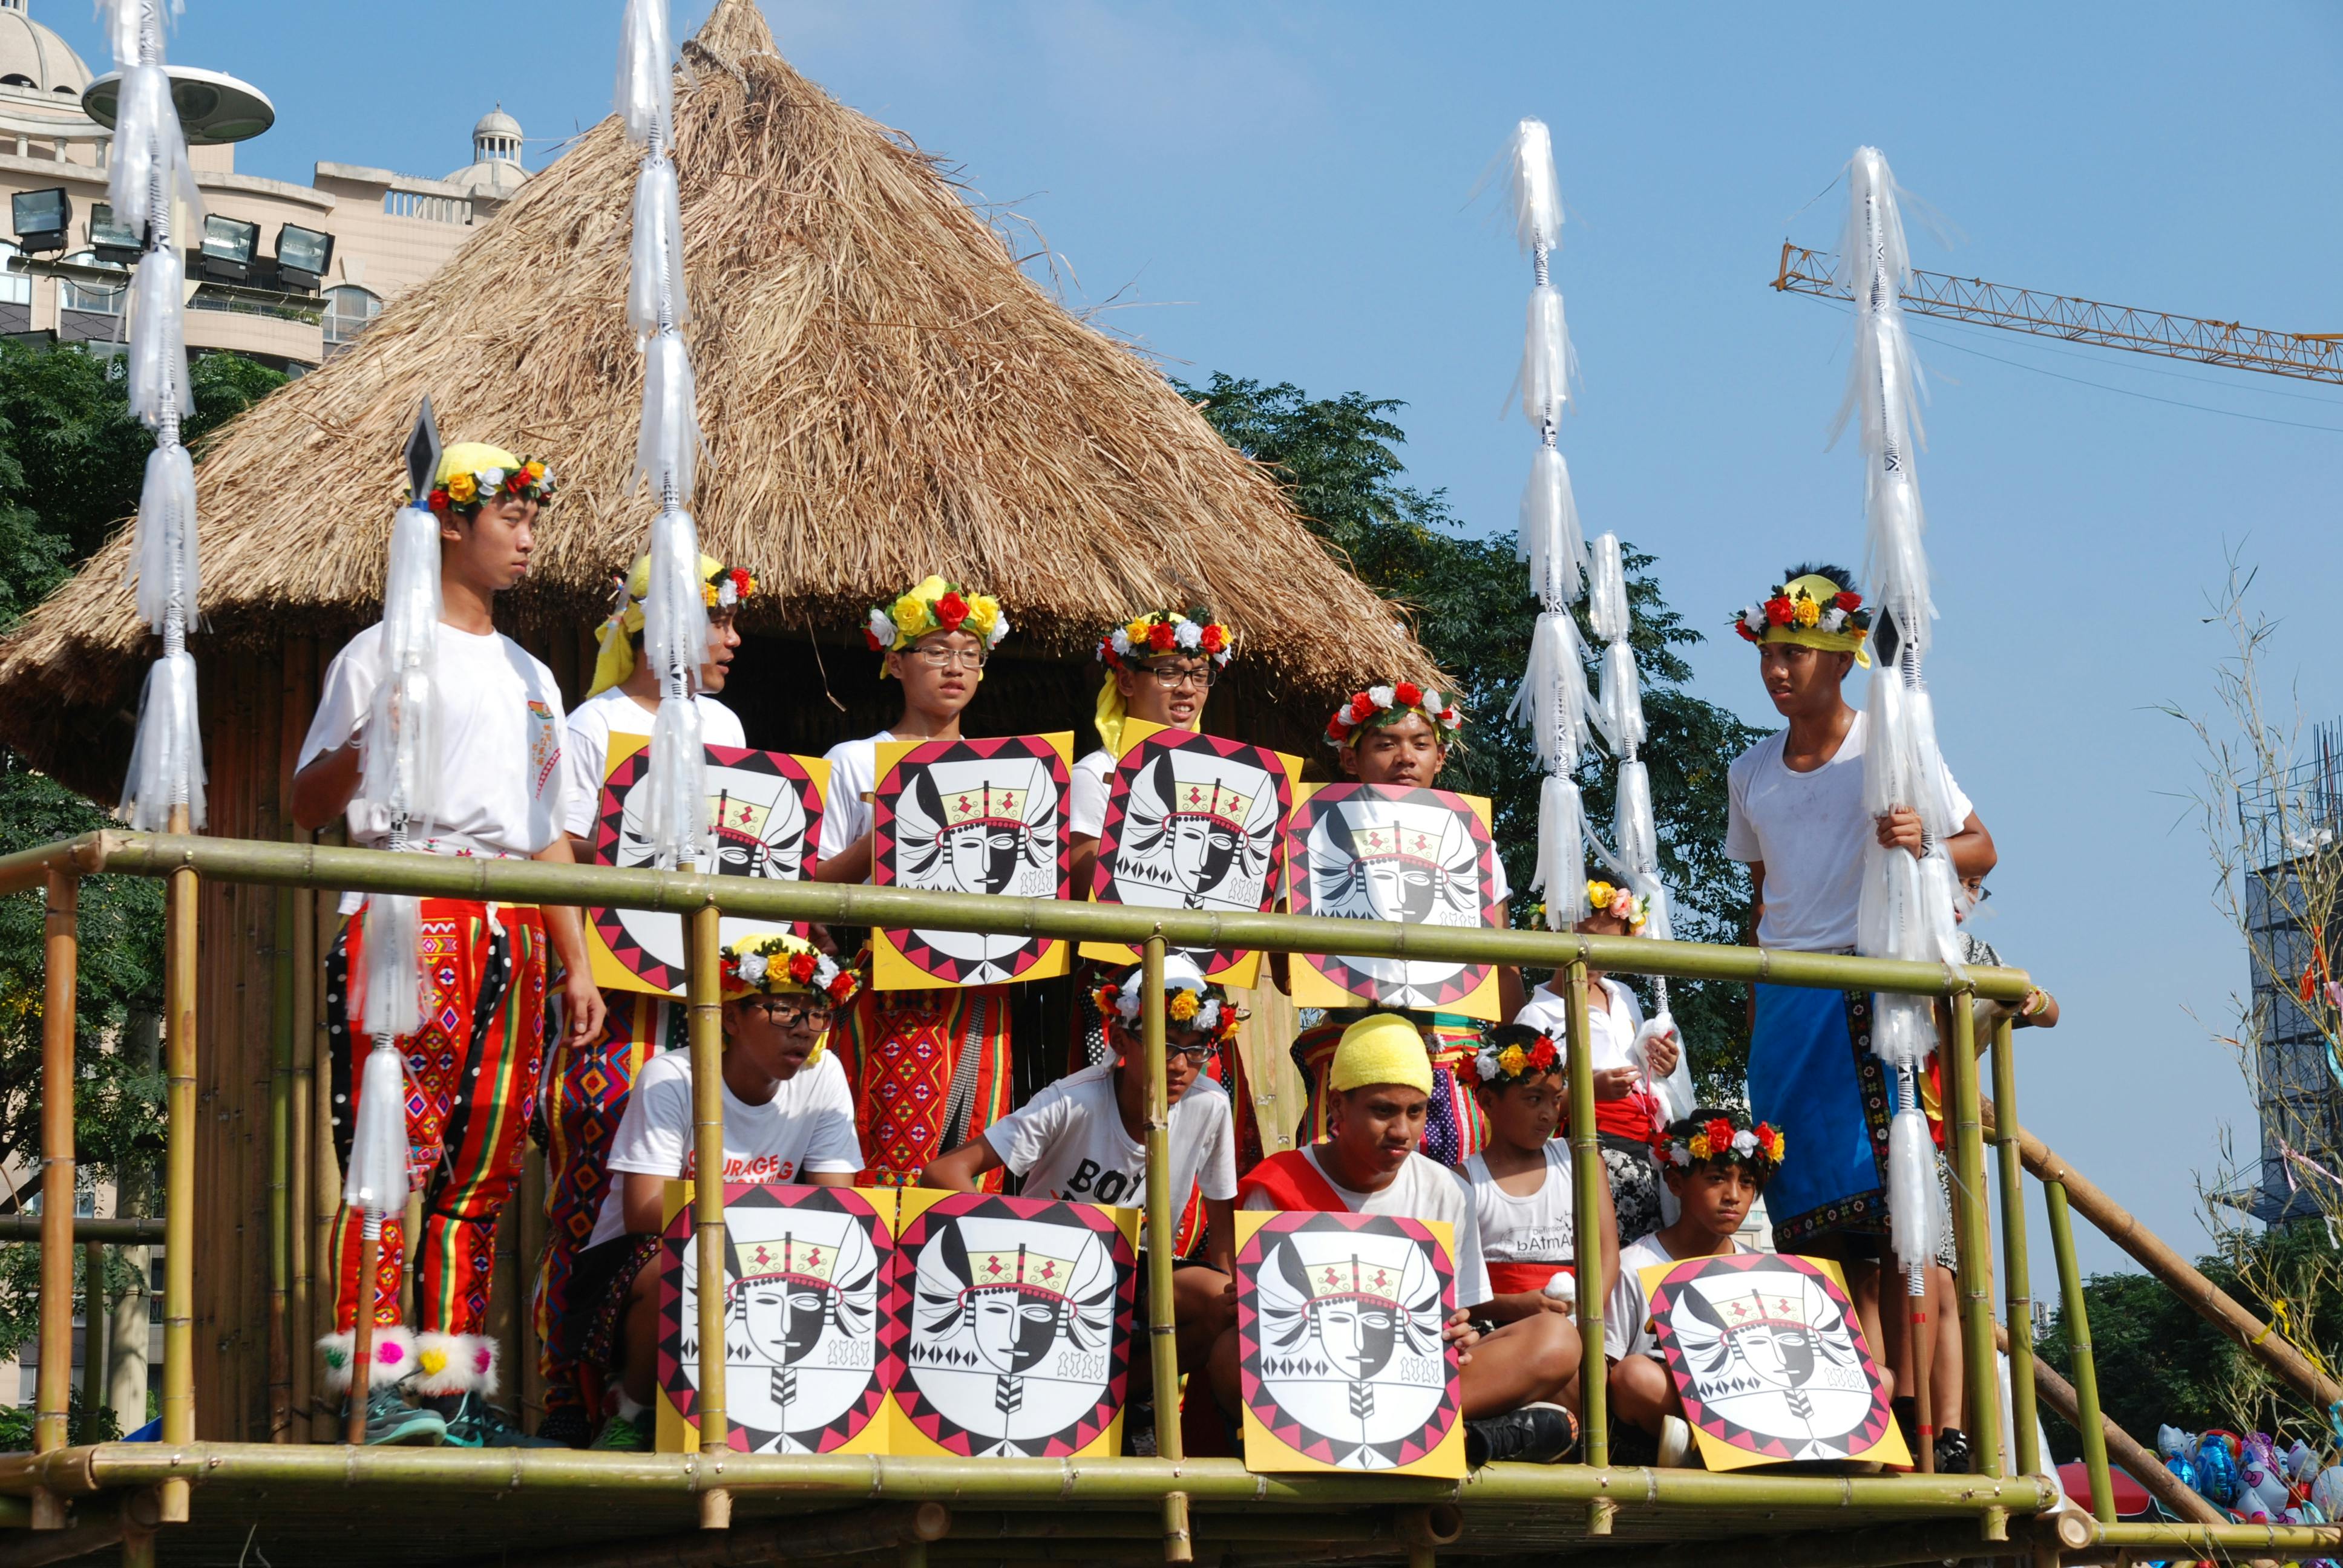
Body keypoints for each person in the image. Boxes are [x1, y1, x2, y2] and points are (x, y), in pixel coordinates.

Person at [291, 443, 600, 1448]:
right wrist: (369, 734)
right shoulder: (378, 652)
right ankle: (370, 1389)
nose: (526, 538)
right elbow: (305, 802)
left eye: (531, 519)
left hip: (511, 919)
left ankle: (447, 1395)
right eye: (509, 516)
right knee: (388, 1162)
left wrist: (577, 958)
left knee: (483, 1174)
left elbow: (548, 823)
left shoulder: (535, 677)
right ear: (450, 525)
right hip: (405, 910)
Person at [1723, 563, 1994, 1471]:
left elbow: (1981, 847)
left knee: (1911, 1228)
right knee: (1820, 1234)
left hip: (1878, 993)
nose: (1778, 670)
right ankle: (1865, 1417)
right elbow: (1765, 899)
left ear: (1842, 657)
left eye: (1795, 651)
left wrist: (1927, 842)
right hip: (1790, 1009)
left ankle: (1942, 1429)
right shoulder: (1750, 773)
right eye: (1769, 654)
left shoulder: (1892, 739)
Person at [531, 550, 756, 1446]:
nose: (732, 640)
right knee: (593, 1188)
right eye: (716, 620)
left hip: (706, 993)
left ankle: (664, 1402)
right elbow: (565, 850)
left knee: (705, 1184)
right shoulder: (595, 725)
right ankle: (566, 1397)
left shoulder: (729, 726)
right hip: (618, 999)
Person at [1222, 1014, 1582, 1466]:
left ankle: (1413, 1435)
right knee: (1227, 1354)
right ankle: (1463, 1437)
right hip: (1312, 1382)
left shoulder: (1447, 1190)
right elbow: (1265, 1327)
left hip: (1410, 1382)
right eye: (1382, 1111)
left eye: (1416, 1112)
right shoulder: (1276, 1186)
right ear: (1336, 1106)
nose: (1402, 1131)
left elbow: (1452, 1316)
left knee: (1557, 1341)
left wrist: (1459, 1335)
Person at [563, 931, 863, 1452]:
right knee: (691, 1264)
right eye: (783, 1011)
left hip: (759, 1254)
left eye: (817, 1014)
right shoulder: (672, 1077)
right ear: (729, 1018)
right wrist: (758, 1226)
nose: (805, 1030)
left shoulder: (825, 1076)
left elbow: (837, 1207)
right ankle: (631, 1410)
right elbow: (644, 1213)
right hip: (639, 1261)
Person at [921, 958, 1240, 1421]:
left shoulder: (1211, 1104)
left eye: (1196, 1050)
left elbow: (1223, 1229)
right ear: (1118, 1040)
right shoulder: (1072, 1100)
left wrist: (1232, 1292)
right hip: (1045, 1262)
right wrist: (1011, 1245)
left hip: (1140, 1266)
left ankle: (1111, 1400)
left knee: (1225, 1305)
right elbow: (944, 1172)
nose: (1180, 1065)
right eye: (1164, 1045)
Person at [812, 576, 1017, 1187]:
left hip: (981, 982)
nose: (954, 668)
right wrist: (892, 831)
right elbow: (811, 881)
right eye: (935, 651)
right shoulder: (853, 758)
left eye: (969, 655)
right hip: (885, 981)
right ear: (895, 662)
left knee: (975, 1137)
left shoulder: (1006, 773)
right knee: (885, 1145)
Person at [1290, 683, 1525, 1168]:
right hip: (1353, 1050)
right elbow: (1286, 971)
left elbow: (1503, 968)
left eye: (1420, 744)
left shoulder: (1476, 843)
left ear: (1440, 758)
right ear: (1350, 759)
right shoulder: (1311, 838)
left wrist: (1517, 1058)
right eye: (1385, 744)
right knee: (1342, 1196)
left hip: (1452, 1054)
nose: (1405, 758)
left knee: (1455, 1206)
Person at [1512, 880, 1693, 1244]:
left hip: (1647, 1154)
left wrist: (1665, 1063)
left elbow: (1646, 1069)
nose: (1594, 955)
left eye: (1609, 944)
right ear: (1556, 933)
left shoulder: (1623, 996)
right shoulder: (1535, 1017)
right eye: (1586, 940)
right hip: (1590, 1151)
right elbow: (1527, 1110)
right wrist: (1590, 1091)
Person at [1605, 1109, 1788, 1467]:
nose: (1733, 1195)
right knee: (1634, 1377)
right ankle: (1705, 1453)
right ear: (1675, 1183)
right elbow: (1607, 1370)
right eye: (1717, 1178)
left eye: (1747, 1183)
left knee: (1883, 1379)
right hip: (1675, 1408)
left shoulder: (1766, 1272)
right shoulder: (1633, 1267)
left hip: (1763, 1404)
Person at [1457, 1025, 1618, 1325]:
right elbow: (1456, 1288)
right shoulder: (1463, 1181)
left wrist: (1587, 1319)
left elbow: (1607, 1253)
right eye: (1534, 1099)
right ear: (1488, 1101)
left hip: (1584, 1327)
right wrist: (1516, 1307)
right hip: (1502, 1335)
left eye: (1556, 1099)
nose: (1549, 1113)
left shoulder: (1581, 1159)